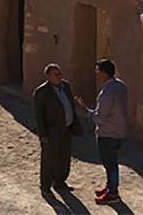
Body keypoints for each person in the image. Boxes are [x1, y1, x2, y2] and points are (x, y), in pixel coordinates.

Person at [75, 58, 128, 205]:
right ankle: (110, 187)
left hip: (108, 133)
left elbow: (100, 118)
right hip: (119, 131)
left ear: (104, 73)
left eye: (98, 71)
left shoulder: (107, 92)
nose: (96, 74)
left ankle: (113, 193)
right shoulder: (120, 86)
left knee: (110, 164)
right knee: (111, 162)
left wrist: (86, 110)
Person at [33, 63, 82, 197]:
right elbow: (38, 115)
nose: (59, 76)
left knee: (64, 156)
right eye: (56, 74)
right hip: (51, 131)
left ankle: (60, 181)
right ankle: (45, 185)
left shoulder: (65, 86)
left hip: (66, 128)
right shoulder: (42, 92)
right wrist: (43, 134)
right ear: (48, 76)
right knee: (49, 159)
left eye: (60, 73)